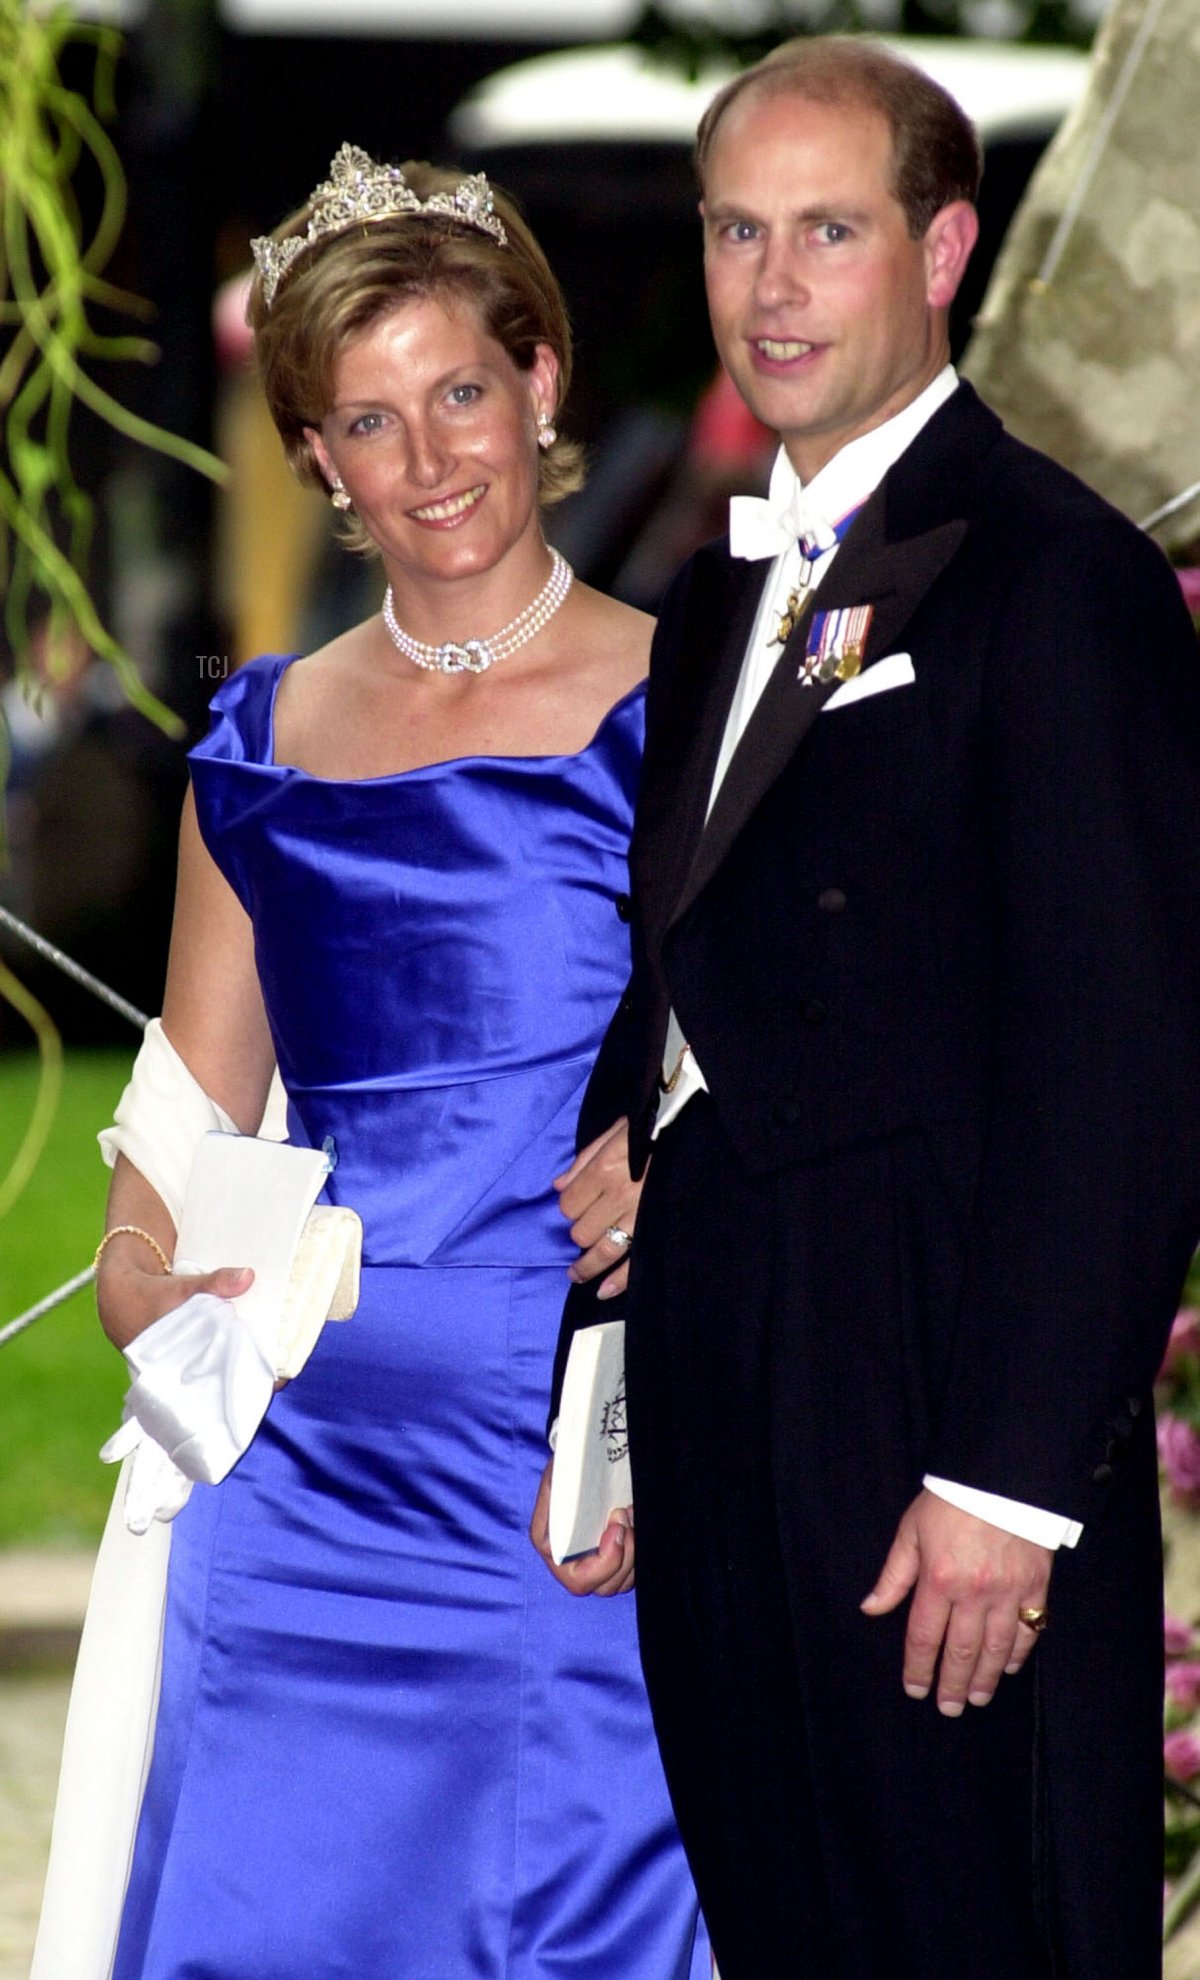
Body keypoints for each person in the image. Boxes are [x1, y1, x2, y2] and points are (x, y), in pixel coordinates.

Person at [540, 36, 1200, 1980]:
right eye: (740, 229)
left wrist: (1005, 1482)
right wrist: (614, 1364)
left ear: (945, 250)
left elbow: (1134, 1061)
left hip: (934, 1414)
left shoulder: (1059, 580)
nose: (772, 283)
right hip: (735, 1399)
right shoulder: (713, 604)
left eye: (829, 230)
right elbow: (705, 954)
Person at [87, 147, 706, 1980]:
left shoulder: (690, 717)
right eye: (370, 420)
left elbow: (805, 1080)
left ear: (541, 381)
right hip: (298, 1489)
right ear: (315, 459)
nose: (431, 463)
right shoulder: (263, 737)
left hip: (575, 1477)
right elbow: (187, 1113)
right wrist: (141, 1280)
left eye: (458, 394)